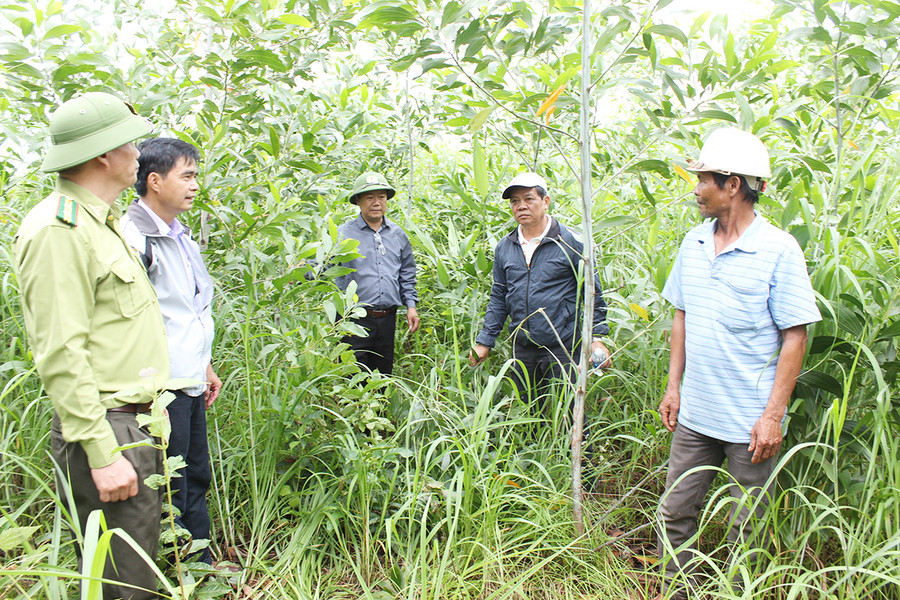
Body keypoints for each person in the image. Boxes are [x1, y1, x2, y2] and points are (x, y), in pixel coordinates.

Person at [13, 92, 169, 599]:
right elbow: (61, 353)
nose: (139, 154)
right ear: (105, 155)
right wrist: (102, 453)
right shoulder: (60, 230)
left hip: (133, 423)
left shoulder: (101, 221)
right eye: (132, 143)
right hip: (107, 427)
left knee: (135, 572)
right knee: (124, 587)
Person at [655, 128, 821, 598]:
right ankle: (677, 590)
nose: (695, 188)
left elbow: (795, 336)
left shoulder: (778, 249)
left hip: (750, 424)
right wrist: (673, 387)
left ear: (733, 184)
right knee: (675, 512)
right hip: (696, 415)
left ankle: (736, 592)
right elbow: (681, 314)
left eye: (704, 178)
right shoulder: (694, 242)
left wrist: (772, 416)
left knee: (744, 527)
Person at [121, 138, 221, 564]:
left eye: (196, 175)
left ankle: (202, 565)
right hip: (162, 386)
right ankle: (183, 571)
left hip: (190, 376)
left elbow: (190, 309)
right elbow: (132, 322)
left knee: (194, 474)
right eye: (188, 175)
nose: (195, 185)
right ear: (155, 180)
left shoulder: (180, 237)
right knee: (171, 481)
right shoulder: (133, 237)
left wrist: (206, 365)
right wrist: (151, 390)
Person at [469, 172, 611, 406]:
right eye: (515, 201)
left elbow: (592, 292)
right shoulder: (505, 247)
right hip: (522, 345)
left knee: (569, 413)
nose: (521, 206)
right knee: (527, 411)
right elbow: (499, 297)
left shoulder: (571, 242)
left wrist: (596, 338)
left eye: (529, 199)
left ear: (545, 201)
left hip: (563, 344)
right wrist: (485, 341)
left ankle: (579, 443)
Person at [333, 172, 419, 374]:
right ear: (358, 201)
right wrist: (301, 273)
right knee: (351, 375)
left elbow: (407, 272)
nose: (376, 203)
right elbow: (326, 264)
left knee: (382, 374)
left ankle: (381, 406)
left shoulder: (397, 235)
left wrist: (411, 305)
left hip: (387, 318)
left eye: (381, 197)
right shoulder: (344, 233)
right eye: (369, 197)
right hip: (352, 318)